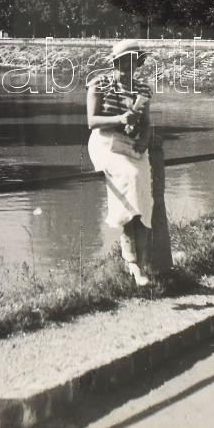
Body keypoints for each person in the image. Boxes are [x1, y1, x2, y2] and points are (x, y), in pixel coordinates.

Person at [86, 39, 153, 286]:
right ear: (115, 63)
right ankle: (132, 261)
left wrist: (144, 140)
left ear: (137, 64)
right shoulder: (99, 84)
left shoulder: (143, 89)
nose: (126, 67)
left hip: (130, 144)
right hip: (105, 142)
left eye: (132, 62)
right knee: (131, 179)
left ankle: (141, 263)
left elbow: (146, 123)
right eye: (122, 62)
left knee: (144, 196)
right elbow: (91, 121)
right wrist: (120, 118)